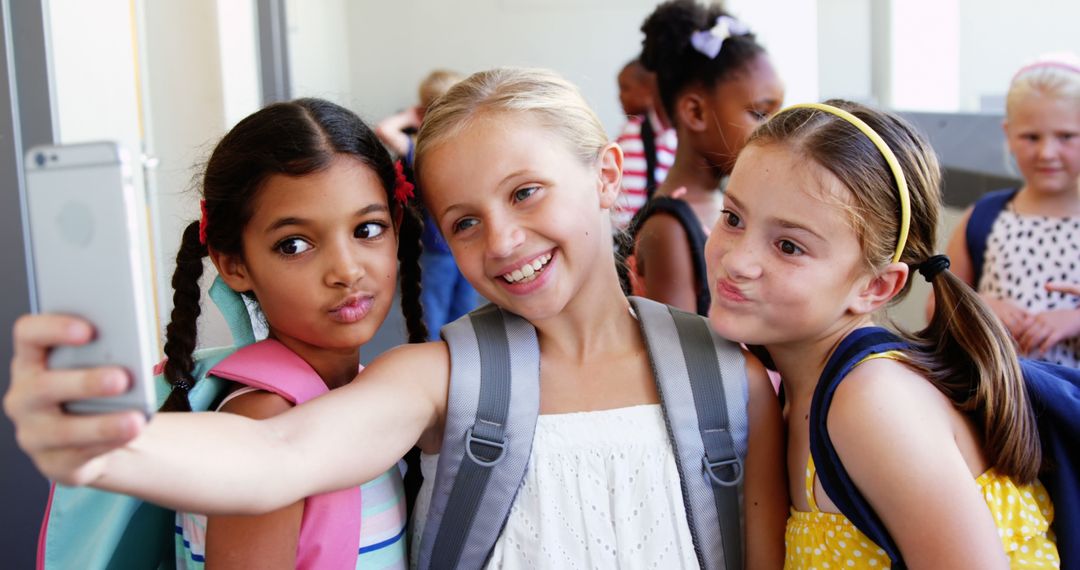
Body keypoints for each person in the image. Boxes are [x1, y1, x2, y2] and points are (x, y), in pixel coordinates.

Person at [5, 68, 787, 569]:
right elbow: (278, 454)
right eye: (465, 221)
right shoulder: (442, 376)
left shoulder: (728, 379)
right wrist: (105, 446)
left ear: (606, 175)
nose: (504, 240)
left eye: (525, 192)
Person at [50, 98, 425, 568]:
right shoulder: (263, 423)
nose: (346, 270)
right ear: (234, 264)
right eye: (294, 244)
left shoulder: (360, 395)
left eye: (367, 228)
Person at [705, 100, 1058, 567]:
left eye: (789, 246)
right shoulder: (798, 391)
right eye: (733, 218)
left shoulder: (872, 402)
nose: (738, 260)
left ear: (875, 286)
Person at [626, 0, 783, 316]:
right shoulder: (669, 230)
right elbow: (681, 360)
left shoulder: (729, 204)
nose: (776, 131)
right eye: (760, 114)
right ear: (695, 112)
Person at [936, 53, 1080, 366]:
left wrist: (1074, 319)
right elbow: (938, 305)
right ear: (1009, 135)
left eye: (1066, 136)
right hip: (999, 400)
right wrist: (978, 306)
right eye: (1030, 137)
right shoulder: (984, 216)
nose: (1047, 152)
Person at [376, 69, 479, 340]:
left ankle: (435, 357)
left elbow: (384, 129)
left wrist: (410, 115)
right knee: (463, 310)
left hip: (439, 245)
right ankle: (459, 356)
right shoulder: (468, 145)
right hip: (467, 239)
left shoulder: (420, 149)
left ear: (424, 110)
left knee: (434, 308)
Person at [612, 58, 678, 230]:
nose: (619, 96)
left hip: (638, 228)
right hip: (625, 230)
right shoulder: (631, 130)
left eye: (625, 88)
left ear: (649, 91)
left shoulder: (659, 133)